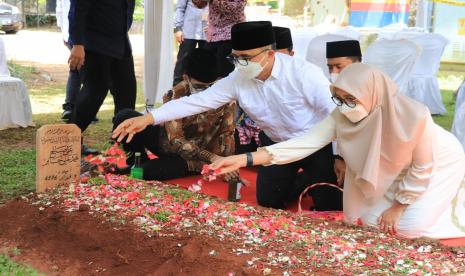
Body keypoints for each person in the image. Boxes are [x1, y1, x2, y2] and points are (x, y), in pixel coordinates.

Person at [211, 63, 465, 239]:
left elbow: (423, 167)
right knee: (369, 222)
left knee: (406, 228)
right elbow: (301, 144)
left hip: (438, 164)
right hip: (390, 169)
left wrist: (399, 206)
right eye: (339, 98)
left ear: (373, 95)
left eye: (351, 99)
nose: (344, 106)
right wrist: (243, 158)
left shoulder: (414, 117)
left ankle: (450, 207)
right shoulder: (342, 115)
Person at [113, 21, 342, 211]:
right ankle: (302, 180)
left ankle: (314, 177)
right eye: (235, 57)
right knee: (269, 201)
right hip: (273, 146)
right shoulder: (238, 78)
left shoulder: (304, 74)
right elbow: (196, 102)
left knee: (330, 204)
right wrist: (148, 118)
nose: (239, 64)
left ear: (269, 54)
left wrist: (340, 157)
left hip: (312, 145)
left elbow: (339, 116)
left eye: (245, 57)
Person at [113, 48, 237, 181]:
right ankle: (136, 161)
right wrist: (210, 157)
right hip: (172, 145)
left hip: (190, 158)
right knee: (124, 117)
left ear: (218, 79)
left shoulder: (224, 95)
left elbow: (227, 133)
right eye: (199, 87)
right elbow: (176, 140)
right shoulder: (176, 94)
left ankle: (150, 166)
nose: (205, 93)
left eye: (210, 87)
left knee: (147, 172)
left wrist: (226, 163)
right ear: (186, 78)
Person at [68, 0, 137, 155]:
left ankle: (120, 143)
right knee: (95, 91)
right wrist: (78, 43)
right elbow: (78, 8)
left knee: (127, 92)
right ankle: (69, 141)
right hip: (92, 43)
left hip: (120, 44)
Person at [55, 0, 97, 124]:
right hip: (82, 36)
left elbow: (60, 11)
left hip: (71, 34)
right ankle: (82, 109)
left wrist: (63, 32)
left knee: (76, 70)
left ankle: (71, 106)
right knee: (87, 73)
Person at [205, 0, 247, 77]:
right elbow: (198, 4)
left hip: (229, 36)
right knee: (208, 72)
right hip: (212, 36)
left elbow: (236, 9)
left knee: (224, 74)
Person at [172, 0, 209, 86]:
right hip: (188, 31)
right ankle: (176, 90)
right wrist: (178, 29)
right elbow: (180, 9)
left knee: (205, 62)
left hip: (207, 32)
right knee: (182, 62)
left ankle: (202, 91)